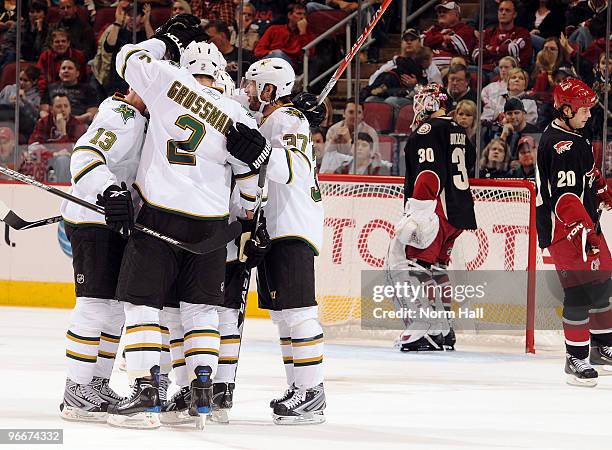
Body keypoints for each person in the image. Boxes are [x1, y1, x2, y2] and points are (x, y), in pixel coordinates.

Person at [108, 15, 270, 429]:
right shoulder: (237, 115)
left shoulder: (166, 82)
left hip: (160, 217)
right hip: (212, 227)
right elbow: (252, 188)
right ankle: (201, 391)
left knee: (143, 304)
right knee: (201, 311)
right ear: (221, 74)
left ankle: (146, 394)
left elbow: (125, 57)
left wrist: (161, 42)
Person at [242, 57, 325, 424]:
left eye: (252, 84)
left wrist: (261, 152)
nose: (246, 90)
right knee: (284, 318)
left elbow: (296, 168)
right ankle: (298, 389)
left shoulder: (289, 119)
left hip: (292, 226)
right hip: (275, 226)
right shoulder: (271, 118)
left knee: (299, 313)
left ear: (270, 89)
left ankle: (312, 394)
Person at [58, 88, 147, 423]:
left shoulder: (143, 119)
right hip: (92, 221)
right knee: (94, 304)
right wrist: (109, 189)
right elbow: (85, 157)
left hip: (116, 223)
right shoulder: (120, 115)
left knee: (113, 310)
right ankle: (75, 388)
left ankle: (97, 382)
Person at [386, 83, 477, 352]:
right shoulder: (459, 130)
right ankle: (445, 330)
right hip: (458, 211)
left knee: (414, 266)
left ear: (431, 104)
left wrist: (420, 214)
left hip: (435, 209)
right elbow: (467, 162)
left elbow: (429, 174)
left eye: (421, 101)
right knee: (438, 268)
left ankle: (424, 327)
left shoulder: (426, 131)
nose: (417, 106)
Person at [535, 77, 612, 386]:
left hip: (583, 224)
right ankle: (575, 358)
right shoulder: (560, 145)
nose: (589, 114)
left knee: (604, 282)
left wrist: (602, 188)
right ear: (566, 109)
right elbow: (565, 199)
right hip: (566, 229)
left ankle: (601, 347)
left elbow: (586, 174)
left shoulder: (574, 135)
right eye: (583, 109)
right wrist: (587, 235)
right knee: (579, 293)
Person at [321, 99, 379, 173]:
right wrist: (333, 141)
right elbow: (326, 156)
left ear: (363, 115)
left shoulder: (371, 132)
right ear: (344, 114)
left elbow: (373, 157)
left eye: (359, 112)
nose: (355, 116)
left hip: (362, 171)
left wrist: (349, 142)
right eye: (351, 112)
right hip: (338, 170)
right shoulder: (334, 129)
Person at [474, 0, 533, 72]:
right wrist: (504, 49)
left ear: (514, 14)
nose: (503, 13)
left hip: (508, 73)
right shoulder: (488, 32)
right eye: (501, 10)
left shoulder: (522, 33)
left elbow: (515, 53)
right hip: (484, 70)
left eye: (507, 10)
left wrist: (490, 49)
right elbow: (476, 55)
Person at [253, 3, 315, 69]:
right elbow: (258, 50)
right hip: (270, 60)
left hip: (290, 65)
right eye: (299, 14)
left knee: (279, 55)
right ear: (289, 15)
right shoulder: (274, 29)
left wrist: (302, 33)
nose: (302, 17)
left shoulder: (308, 33)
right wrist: (269, 52)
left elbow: (308, 56)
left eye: (304, 14)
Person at [41, 59, 99, 124]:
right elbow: (43, 111)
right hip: (53, 123)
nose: (66, 71)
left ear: (77, 73)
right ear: (59, 73)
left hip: (79, 124)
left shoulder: (88, 89)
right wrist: (55, 121)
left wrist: (72, 121)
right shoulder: (50, 88)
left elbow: (92, 113)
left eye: (70, 68)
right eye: (63, 68)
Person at [422, 1, 476, 71]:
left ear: (456, 14)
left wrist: (434, 42)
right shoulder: (434, 29)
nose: (441, 14)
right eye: (439, 12)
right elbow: (423, 42)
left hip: (452, 70)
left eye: (445, 12)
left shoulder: (465, 29)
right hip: (428, 69)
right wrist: (443, 38)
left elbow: (461, 48)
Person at [36, 28, 87, 97]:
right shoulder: (45, 56)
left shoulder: (79, 56)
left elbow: (83, 77)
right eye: (57, 42)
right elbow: (40, 76)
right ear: (51, 44)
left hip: (75, 92)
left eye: (63, 41)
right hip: (51, 92)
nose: (60, 44)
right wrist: (45, 94)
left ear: (68, 43)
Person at [0, 66, 42, 140]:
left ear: (34, 81)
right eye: (20, 79)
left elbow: (35, 117)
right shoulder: (8, 89)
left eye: (26, 80)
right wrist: (8, 102)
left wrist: (25, 101)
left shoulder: (37, 97)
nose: (21, 83)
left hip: (21, 126)